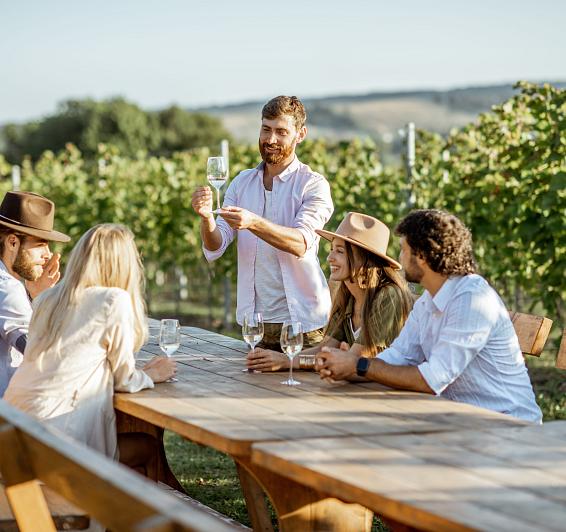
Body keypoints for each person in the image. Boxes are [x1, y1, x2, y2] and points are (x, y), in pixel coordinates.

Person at [316, 209, 542, 423]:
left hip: (508, 424)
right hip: (459, 420)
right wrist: (348, 365)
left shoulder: (471, 299)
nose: (400, 259)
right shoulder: (427, 302)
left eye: (403, 250)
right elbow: (397, 357)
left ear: (421, 256)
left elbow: (432, 380)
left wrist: (359, 366)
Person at [4, 224, 177, 461]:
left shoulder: (46, 297)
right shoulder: (113, 300)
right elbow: (124, 380)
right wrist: (153, 374)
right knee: (146, 446)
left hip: (13, 427)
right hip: (56, 438)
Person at [192, 95, 334, 350]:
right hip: (254, 323)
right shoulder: (241, 182)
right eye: (266, 129)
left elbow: (300, 243)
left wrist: (253, 223)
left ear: (300, 135)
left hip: (302, 323)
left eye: (281, 132)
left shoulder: (313, 185)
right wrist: (206, 219)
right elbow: (215, 246)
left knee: (305, 391)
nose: (270, 140)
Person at [247, 212, 413, 371]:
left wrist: (289, 362)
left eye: (340, 251)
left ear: (363, 259)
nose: (330, 258)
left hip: (388, 395)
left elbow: (352, 360)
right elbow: (323, 350)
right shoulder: (347, 296)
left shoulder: (388, 296)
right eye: (332, 249)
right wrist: (286, 360)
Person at [0, 191, 70, 396]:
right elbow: (39, 354)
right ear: (12, 242)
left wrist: (34, 296)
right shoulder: (8, 289)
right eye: (40, 244)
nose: (47, 254)